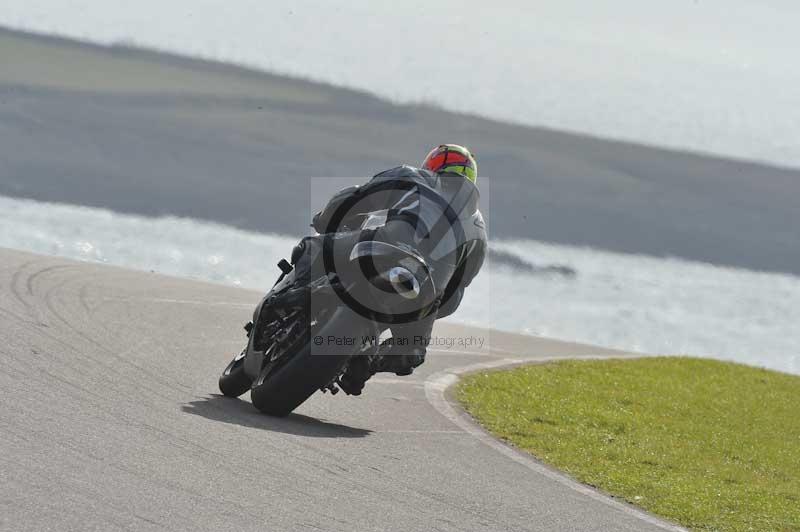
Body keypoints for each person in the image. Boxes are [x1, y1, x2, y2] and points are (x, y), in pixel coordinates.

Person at [311, 144, 487, 395]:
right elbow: (458, 289)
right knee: (410, 351)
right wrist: (432, 303)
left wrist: (326, 219)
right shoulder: (479, 229)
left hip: (384, 250)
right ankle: (364, 362)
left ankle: (358, 354)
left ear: (434, 164)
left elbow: (358, 196)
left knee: (314, 247)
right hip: (423, 292)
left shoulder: (414, 176)